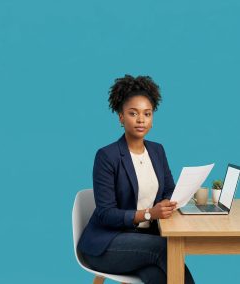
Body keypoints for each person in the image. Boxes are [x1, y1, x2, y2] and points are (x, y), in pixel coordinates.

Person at [77, 75, 195, 284]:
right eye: (133, 113)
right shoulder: (107, 156)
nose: (141, 120)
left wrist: (168, 202)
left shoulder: (157, 150)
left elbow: (169, 188)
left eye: (147, 114)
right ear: (121, 117)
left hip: (143, 242)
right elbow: (106, 214)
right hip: (108, 244)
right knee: (166, 250)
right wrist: (150, 213)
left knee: (158, 276)